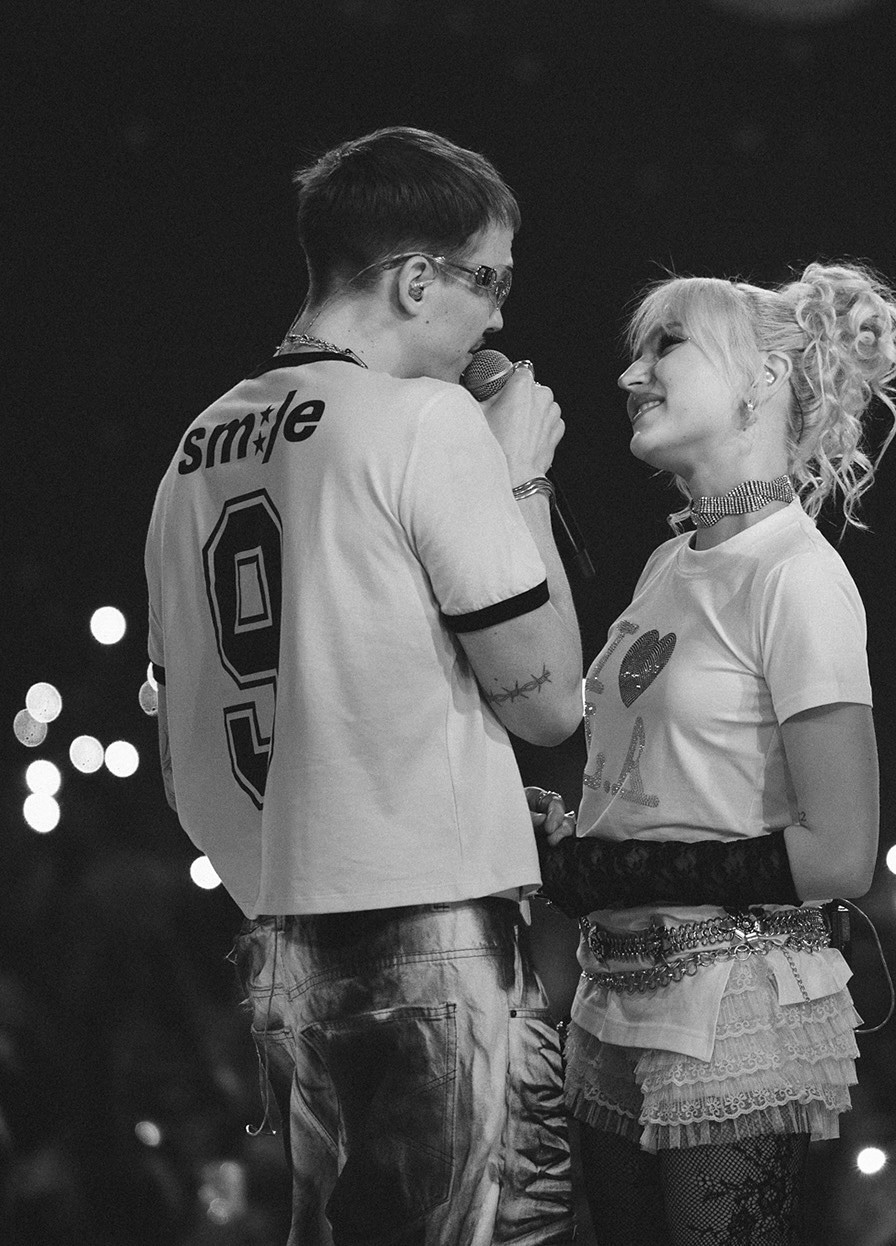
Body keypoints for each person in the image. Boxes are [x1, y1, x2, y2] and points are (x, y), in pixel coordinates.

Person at [144, 126, 583, 1246]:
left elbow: (180, 733)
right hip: (429, 922)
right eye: (489, 282)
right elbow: (549, 703)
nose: (498, 320)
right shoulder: (425, 422)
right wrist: (521, 478)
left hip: (281, 929)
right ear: (415, 279)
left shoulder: (194, 449)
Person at [532, 263, 896, 1245]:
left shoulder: (797, 577)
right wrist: (573, 841)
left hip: (732, 1012)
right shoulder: (668, 563)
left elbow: (840, 855)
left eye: (667, 345)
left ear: (761, 380)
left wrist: (616, 870)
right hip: (611, 1001)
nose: (631, 375)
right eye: (635, 352)